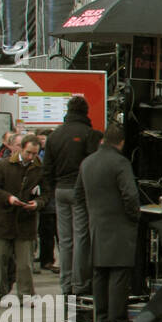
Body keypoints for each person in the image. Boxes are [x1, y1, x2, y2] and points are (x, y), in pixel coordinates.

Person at [74, 123, 139, 322]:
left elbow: (78, 195)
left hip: (96, 225)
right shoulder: (121, 163)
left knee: (99, 273)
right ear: (121, 142)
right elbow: (130, 195)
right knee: (119, 274)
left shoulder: (87, 162)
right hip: (120, 224)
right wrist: (134, 216)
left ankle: (100, 321)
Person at [42, 96, 101, 297]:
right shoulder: (88, 134)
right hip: (80, 190)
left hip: (60, 191)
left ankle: (65, 283)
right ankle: (79, 283)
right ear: (85, 111)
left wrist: (51, 190)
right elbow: (92, 164)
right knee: (81, 237)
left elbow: (46, 168)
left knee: (64, 240)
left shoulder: (54, 135)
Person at [0, 135, 44, 298]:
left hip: (26, 221)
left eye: (35, 153)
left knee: (25, 263)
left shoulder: (39, 169)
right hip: (5, 219)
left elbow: (46, 194)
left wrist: (37, 203)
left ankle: (26, 295)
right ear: (20, 148)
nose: (31, 157)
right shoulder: (3, 165)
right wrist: (9, 198)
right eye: (28, 153)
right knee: (1, 259)